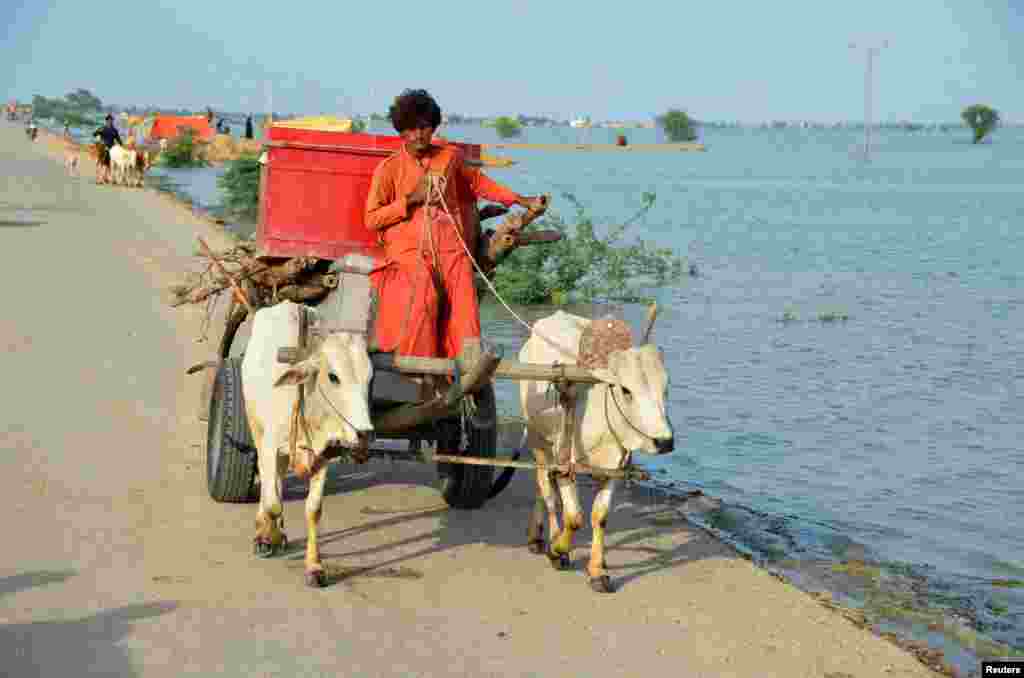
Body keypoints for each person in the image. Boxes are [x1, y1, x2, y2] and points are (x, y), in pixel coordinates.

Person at [365, 89, 545, 371]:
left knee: (466, 313)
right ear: (401, 131)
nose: (418, 135)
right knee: (422, 300)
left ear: (433, 127)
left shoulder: (450, 157)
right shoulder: (388, 170)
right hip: (409, 255)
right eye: (411, 128)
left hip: (452, 250)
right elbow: (372, 219)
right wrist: (410, 200)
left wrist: (519, 199)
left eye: (424, 127)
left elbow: (481, 184)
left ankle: (466, 380)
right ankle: (420, 375)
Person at [92, 114, 123, 185]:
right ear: (106, 121)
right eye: (108, 120)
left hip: (112, 148)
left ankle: (105, 177)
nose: (110, 121)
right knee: (101, 163)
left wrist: (122, 146)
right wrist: (98, 132)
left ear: (112, 121)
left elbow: (118, 140)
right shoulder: (102, 128)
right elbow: (94, 134)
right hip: (103, 146)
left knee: (109, 164)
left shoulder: (114, 130)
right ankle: (100, 178)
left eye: (111, 120)